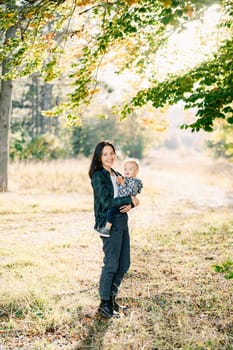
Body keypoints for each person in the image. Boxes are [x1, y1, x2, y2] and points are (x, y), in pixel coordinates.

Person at [88, 141, 139, 318]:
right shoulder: (98, 175)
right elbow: (106, 202)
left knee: (124, 263)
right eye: (105, 154)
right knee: (111, 263)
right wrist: (129, 201)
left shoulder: (117, 173)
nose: (109, 157)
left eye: (111, 153)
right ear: (99, 157)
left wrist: (131, 203)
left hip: (122, 220)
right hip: (108, 224)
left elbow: (126, 193)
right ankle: (104, 304)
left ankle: (112, 299)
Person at [96, 158, 143, 237]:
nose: (127, 171)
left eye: (130, 169)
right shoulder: (126, 179)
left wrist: (122, 184)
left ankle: (107, 228)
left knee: (111, 210)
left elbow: (127, 193)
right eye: (125, 169)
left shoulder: (134, 182)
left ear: (136, 171)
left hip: (125, 201)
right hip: (122, 200)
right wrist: (119, 182)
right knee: (111, 211)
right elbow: (120, 190)